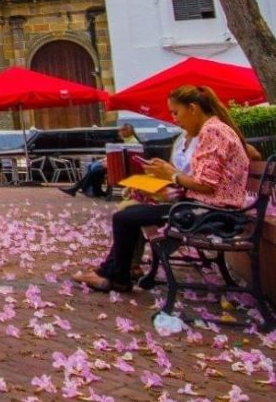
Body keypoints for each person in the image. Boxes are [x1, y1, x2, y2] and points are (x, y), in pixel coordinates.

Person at [72, 85, 250, 293]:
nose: (175, 119)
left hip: (211, 214)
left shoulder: (213, 131)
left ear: (192, 108)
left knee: (125, 217)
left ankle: (116, 276)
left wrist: (171, 174)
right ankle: (112, 272)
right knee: (129, 213)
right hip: (207, 209)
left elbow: (206, 185)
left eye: (176, 112)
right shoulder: (215, 128)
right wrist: (166, 174)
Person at [60, 123, 139, 198]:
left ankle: (79, 188)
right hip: (120, 167)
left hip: (123, 169)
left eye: (120, 131)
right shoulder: (129, 140)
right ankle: (92, 190)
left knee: (95, 171)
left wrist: (108, 164)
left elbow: (125, 159)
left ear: (126, 132)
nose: (119, 133)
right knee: (95, 170)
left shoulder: (132, 142)